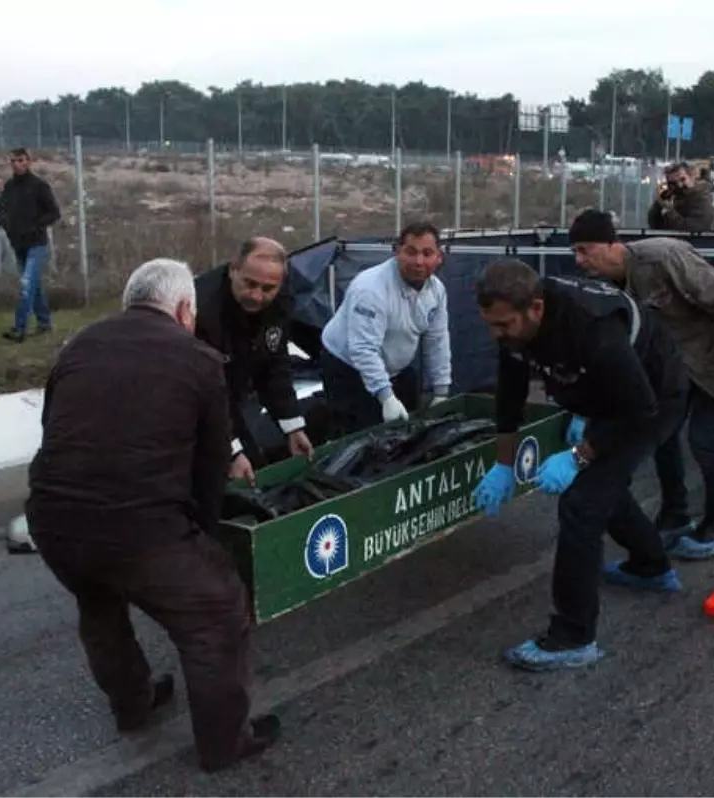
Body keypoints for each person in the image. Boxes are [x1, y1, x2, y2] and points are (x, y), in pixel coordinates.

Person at [25, 258, 280, 772]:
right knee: (216, 615)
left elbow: (54, 430)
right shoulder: (199, 360)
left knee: (99, 604)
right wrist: (206, 545)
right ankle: (224, 743)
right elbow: (210, 469)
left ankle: (134, 705)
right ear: (185, 309)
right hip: (139, 530)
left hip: (54, 522)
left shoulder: (79, 346)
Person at [470, 259, 688, 672]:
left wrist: (579, 455)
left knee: (582, 503)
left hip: (653, 399)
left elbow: (639, 409)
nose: (495, 335)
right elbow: (509, 396)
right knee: (602, 489)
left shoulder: (592, 328)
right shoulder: (516, 329)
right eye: (490, 325)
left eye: (503, 326)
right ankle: (650, 566)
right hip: (606, 397)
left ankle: (572, 636)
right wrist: (503, 463)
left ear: (535, 308)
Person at [568, 209, 714, 559]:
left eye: (585, 250)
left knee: (703, 440)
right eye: (575, 251)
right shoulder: (611, 285)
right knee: (660, 435)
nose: (579, 260)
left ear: (611, 243)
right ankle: (675, 514)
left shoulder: (663, 258)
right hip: (677, 367)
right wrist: (586, 409)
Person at [194, 237, 314, 484]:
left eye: (268, 289)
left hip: (234, 391)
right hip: (193, 404)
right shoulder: (203, 310)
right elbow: (205, 393)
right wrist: (232, 452)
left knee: (254, 469)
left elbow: (274, 362)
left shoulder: (281, 300)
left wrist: (292, 426)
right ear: (233, 270)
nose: (257, 296)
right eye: (250, 284)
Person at [319, 221, 452, 436]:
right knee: (361, 438)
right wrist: (386, 397)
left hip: (395, 369)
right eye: (411, 252)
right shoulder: (371, 289)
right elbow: (363, 349)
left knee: (404, 436)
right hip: (347, 367)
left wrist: (441, 391)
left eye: (427, 253)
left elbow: (437, 340)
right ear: (397, 251)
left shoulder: (436, 290)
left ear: (439, 257)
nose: (419, 261)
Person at [2, 148, 61, 342]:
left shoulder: (39, 186)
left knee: (26, 285)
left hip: (36, 243)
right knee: (33, 286)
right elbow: (6, 212)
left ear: (28, 162)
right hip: (18, 243)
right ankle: (44, 323)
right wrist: (9, 230)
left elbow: (54, 213)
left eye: (20, 160)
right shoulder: (9, 187)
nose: (17, 164)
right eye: (13, 161)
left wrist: (36, 225)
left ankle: (19, 327)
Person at [647, 162, 714, 232]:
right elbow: (655, 225)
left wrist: (669, 210)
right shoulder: (674, 197)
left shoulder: (701, 199)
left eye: (682, 180)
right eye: (673, 183)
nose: (679, 185)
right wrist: (658, 204)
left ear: (691, 177)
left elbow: (691, 230)